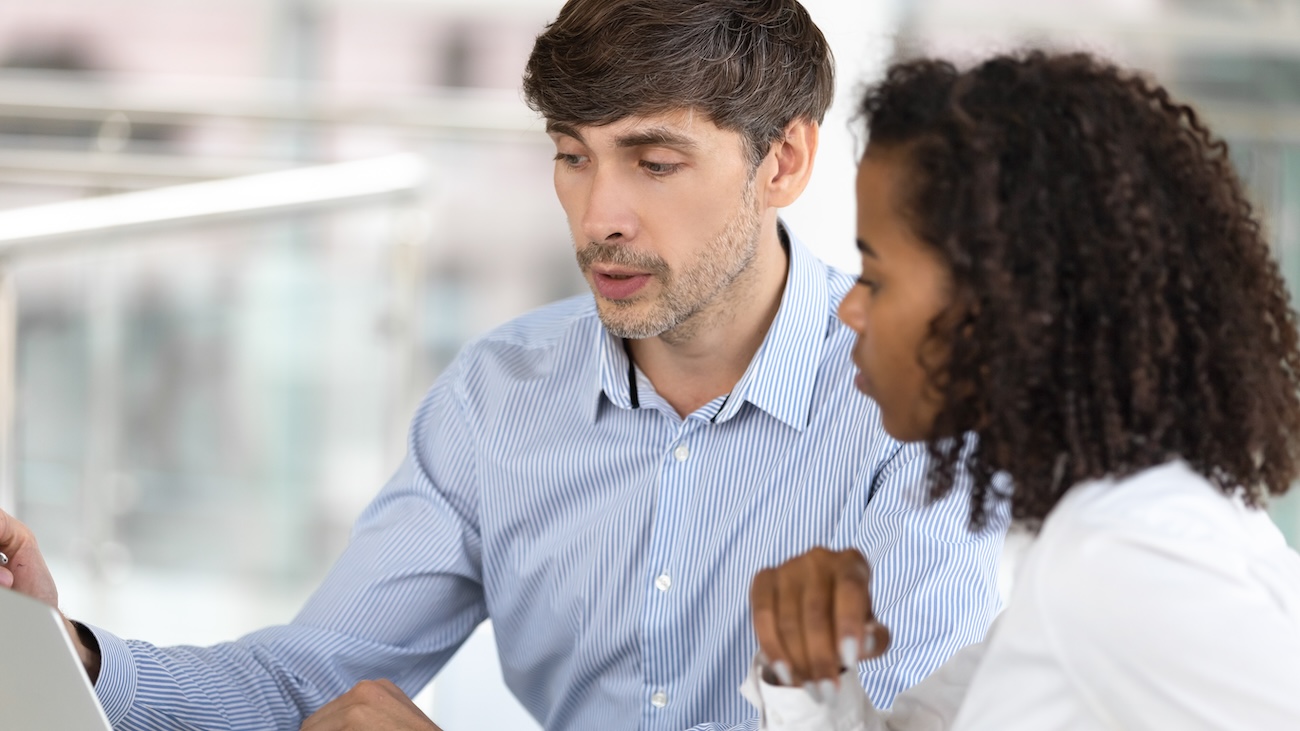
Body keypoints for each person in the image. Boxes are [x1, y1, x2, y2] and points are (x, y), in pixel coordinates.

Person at [0, 2, 1008, 730]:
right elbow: (312, 677)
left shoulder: (914, 401)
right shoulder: (500, 393)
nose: (599, 215)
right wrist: (71, 649)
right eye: (572, 155)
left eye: (654, 162)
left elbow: (894, 727)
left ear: (782, 161)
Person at [743, 49, 1300, 730]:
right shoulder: (1093, 541)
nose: (850, 309)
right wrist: (809, 668)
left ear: (1010, 306)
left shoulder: (1124, 559)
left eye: (877, 278)